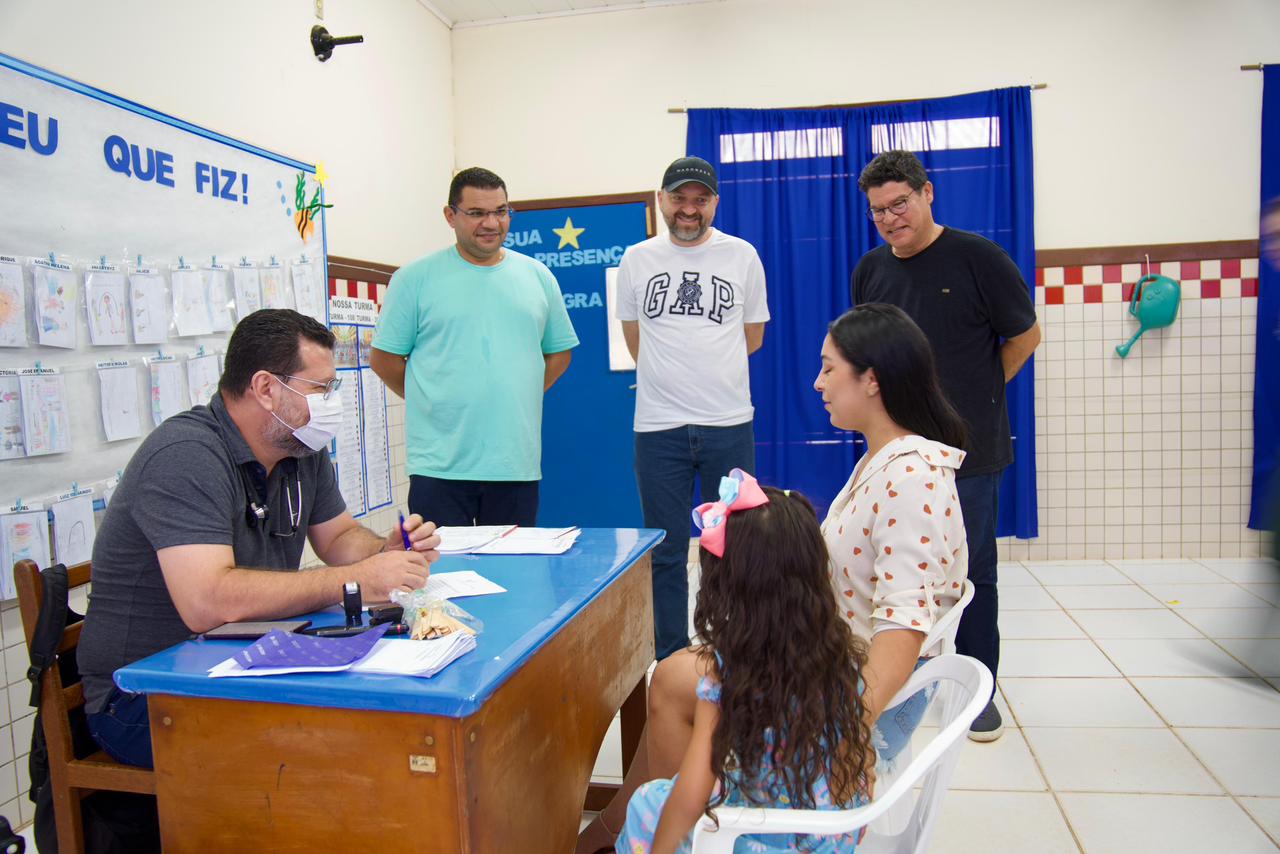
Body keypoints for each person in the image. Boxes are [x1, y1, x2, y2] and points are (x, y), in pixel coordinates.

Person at [576, 305, 969, 853]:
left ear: (872, 379)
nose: (818, 383)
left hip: (857, 697)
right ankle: (633, 823)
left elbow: (902, 634)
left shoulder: (911, 478)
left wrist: (841, 736)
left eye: (829, 369)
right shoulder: (883, 461)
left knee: (673, 680)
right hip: (828, 668)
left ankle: (661, 826)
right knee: (673, 676)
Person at [78, 309, 442, 768]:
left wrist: (382, 552)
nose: (331, 402)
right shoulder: (185, 456)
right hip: (144, 695)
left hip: (243, 662)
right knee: (339, 750)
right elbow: (208, 602)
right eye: (321, 388)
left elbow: (339, 537)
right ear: (266, 388)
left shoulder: (299, 447)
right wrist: (356, 580)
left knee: (385, 719)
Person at [852, 150, 1040, 741]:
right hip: (894, 456)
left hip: (970, 452)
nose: (890, 218)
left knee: (971, 576)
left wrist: (976, 395)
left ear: (927, 193)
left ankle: (977, 694)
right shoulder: (870, 270)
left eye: (900, 204)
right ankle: (894, 689)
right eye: (878, 211)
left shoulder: (979, 258)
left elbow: (1026, 335)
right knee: (895, 575)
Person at [616, 471, 872, 854]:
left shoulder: (726, 676)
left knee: (649, 802)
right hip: (832, 837)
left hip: (767, 840)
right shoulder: (841, 659)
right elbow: (858, 767)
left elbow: (691, 794)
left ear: (728, 588)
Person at [614, 155, 770, 661]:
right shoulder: (637, 259)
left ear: (714, 204)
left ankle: (733, 651)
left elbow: (752, 337)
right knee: (664, 551)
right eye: (679, 198)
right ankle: (671, 659)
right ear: (661, 200)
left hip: (728, 425)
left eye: (699, 200)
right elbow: (635, 338)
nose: (688, 209)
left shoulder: (742, 255)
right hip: (658, 429)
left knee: (732, 548)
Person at [370, 166, 579, 527]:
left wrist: (521, 391)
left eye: (501, 211)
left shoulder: (538, 276)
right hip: (439, 466)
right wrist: (432, 397)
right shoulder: (414, 279)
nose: (491, 223)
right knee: (441, 564)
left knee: (514, 563)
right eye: (477, 213)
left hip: (514, 464)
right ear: (450, 215)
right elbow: (384, 359)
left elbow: (559, 353)